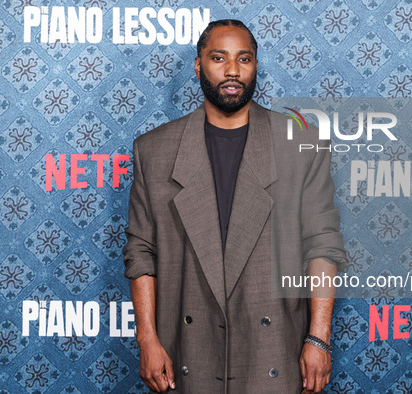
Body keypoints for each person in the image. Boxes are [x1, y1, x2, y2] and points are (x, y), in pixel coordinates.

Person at [122, 19, 347, 393]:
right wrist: (147, 340)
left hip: (274, 349)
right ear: (198, 65)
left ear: (256, 65)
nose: (232, 71)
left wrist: (318, 339)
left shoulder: (301, 144)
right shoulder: (155, 150)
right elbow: (141, 251)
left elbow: (322, 245)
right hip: (186, 350)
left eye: (244, 59)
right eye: (218, 58)